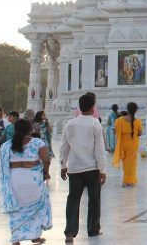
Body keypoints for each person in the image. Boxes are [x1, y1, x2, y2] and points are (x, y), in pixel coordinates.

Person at [60, 93, 106, 242]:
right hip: (92, 168)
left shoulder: (70, 124)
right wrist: (103, 169)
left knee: (73, 199)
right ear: (93, 108)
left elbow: (64, 147)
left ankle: (69, 232)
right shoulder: (95, 124)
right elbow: (99, 149)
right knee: (94, 199)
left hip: (74, 168)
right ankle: (93, 229)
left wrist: (63, 165)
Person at [0, 119, 52, 245]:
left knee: (17, 209)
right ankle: (35, 236)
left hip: (15, 180)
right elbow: (46, 160)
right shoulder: (37, 142)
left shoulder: (7, 145)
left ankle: (16, 239)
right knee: (37, 206)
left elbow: (3, 165)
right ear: (30, 129)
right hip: (32, 179)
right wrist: (45, 172)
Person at [112, 102, 142, 186]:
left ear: (127, 109)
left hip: (123, 144)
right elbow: (140, 133)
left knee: (125, 163)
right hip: (133, 144)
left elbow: (115, 131)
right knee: (131, 163)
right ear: (135, 110)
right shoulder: (138, 121)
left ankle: (127, 180)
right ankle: (129, 180)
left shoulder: (119, 120)